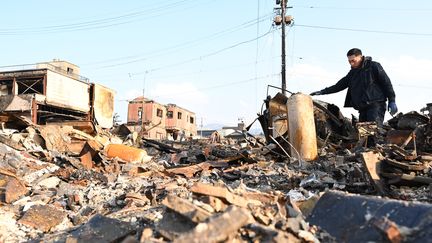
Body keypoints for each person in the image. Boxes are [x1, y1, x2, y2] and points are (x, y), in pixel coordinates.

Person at [310, 48, 398, 127]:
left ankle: (378, 143)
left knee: (373, 132)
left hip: (375, 105)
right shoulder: (352, 73)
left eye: (353, 60)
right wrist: (322, 91)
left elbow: (386, 83)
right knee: (363, 134)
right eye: (349, 61)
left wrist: (392, 100)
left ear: (360, 57)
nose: (351, 63)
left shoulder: (373, 66)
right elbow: (339, 85)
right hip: (362, 108)